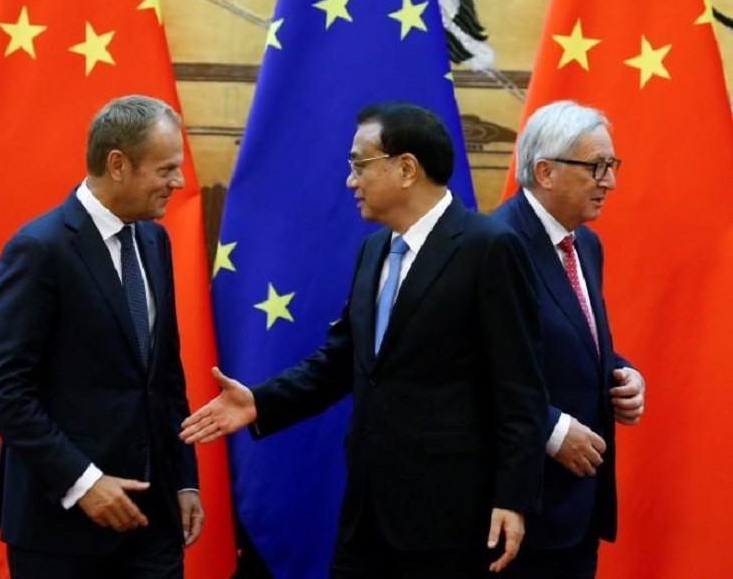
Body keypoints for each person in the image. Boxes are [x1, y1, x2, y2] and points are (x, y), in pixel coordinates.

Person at [181, 102, 549, 577]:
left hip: (450, 518)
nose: (351, 180)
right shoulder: (374, 250)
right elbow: (344, 360)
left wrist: (513, 497)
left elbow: (519, 385)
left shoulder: (489, 247)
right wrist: (260, 402)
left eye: (359, 165)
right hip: (365, 513)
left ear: (407, 168)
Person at [0, 95, 203, 578]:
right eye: (166, 169)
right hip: (62, 531)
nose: (179, 182)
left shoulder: (153, 239)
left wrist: (183, 480)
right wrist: (83, 482)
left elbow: (163, 375)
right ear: (118, 164)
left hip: (153, 525)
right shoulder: (40, 249)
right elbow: (2, 389)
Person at [491, 100, 646, 578]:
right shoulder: (495, 244)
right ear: (546, 171)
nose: (610, 181)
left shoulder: (584, 244)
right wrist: (552, 429)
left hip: (577, 510)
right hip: (520, 509)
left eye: (612, 165)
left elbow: (569, 338)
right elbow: (472, 367)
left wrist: (622, 374)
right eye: (597, 166)